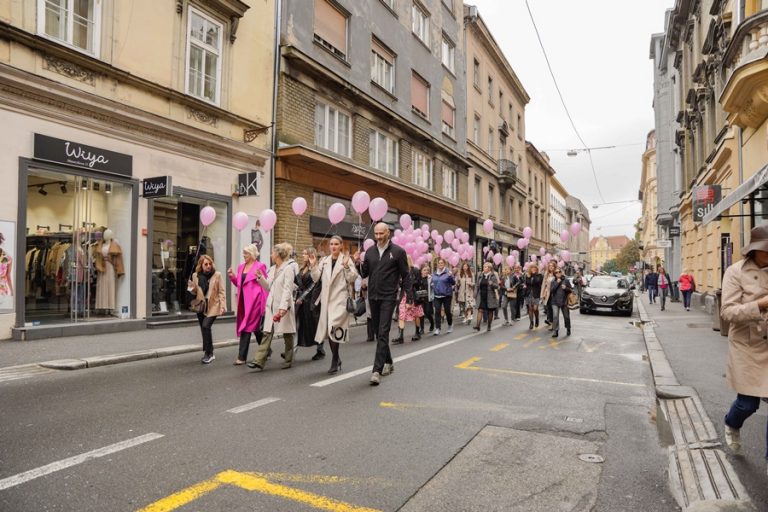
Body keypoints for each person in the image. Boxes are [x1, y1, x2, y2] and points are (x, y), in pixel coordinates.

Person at [720, 225, 768, 466]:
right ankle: (732, 422)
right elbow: (727, 312)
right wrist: (760, 305)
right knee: (748, 403)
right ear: (756, 251)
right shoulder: (735, 271)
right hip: (747, 345)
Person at [356, 222, 409, 386]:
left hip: (388, 297)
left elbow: (406, 276)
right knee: (380, 334)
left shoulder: (398, 252)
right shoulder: (370, 252)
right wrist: (358, 262)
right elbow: (364, 273)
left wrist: (409, 298)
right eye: (376, 234)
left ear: (388, 233)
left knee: (383, 332)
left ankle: (376, 371)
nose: (378, 237)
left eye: (381, 234)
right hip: (373, 296)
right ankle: (389, 362)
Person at [310, 235, 358, 374]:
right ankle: (336, 359)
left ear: (341, 245)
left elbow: (352, 278)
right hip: (326, 301)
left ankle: (334, 359)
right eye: (331, 244)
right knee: (331, 331)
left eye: (336, 244)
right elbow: (316, 278)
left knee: (333, 327)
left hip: (339, 300)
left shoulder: (346, 260)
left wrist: (346, 266)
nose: (333, 246)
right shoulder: (324, 261)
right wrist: (313, 265)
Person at [248, 243, 298, 371]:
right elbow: (268, 286)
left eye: (272, 253)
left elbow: (288, 289)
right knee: (267, 333)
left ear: (277, 254)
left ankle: (288, 359)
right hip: (271, 306)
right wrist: (260, 278)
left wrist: (283, 307)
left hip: (283, 305)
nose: (271, 255)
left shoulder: (288, 269)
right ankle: (259, 360)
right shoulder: (271, 269)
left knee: (287, 334)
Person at [227, 244, 268, 365]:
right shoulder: (241, 267)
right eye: (244, 253)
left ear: (252, 255)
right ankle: (266, 350)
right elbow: (240, 284)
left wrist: (264, 304)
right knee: (255, 328)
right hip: (243, 302)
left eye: (246, 253)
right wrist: (232, 277)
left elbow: (265, 286)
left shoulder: (260, 266)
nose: (244, 255)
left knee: (246, 327)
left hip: (255, 302)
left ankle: (241, 357)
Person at [187, 255, 226, 364]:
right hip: (201, 305)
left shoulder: (217, 275)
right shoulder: (195, 275)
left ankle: (209, 354)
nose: (208, 266)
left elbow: (221, 292)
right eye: (206, 264)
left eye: (210, 264)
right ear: (201, 265)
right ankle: (209, 351)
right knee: (204, 329)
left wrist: (222, 306)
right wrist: (191, 287)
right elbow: (195, 292)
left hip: (214, 305)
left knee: (206, 326)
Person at [295, 247, 324, 361]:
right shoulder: (302, 268)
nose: (303, 255)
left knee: (315, 326)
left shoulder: (316, 268)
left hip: (312, 301)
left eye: (305, 254)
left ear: (311, 255)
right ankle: (292, 350)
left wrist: (303, 297)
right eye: (302, 253)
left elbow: (314, 285)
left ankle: (320, 349)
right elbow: (297, 283)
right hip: (301, 302)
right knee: (298, 325)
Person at [393, 256, 425, 344]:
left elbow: (419, 282)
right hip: (404, 295)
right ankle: (400, 336)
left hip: (414, 296)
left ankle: (417, 332)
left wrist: (410, 282)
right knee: (401, 314)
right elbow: (399, 283)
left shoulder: (415, 270)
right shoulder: (401, 272)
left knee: (416, 315)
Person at [432, 258, 456, 335]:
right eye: (439, 263)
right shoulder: (434, 273)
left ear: (444, 264)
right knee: (437, 311)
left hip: (447, 295)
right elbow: (433, 282)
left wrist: (450, 276)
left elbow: (453, 283)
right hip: (437, 295)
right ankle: (438, 328)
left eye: (442, 263)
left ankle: (450, 325)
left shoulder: (448, 272)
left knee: (447, 311)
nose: (440, 264)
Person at [474, 262, 500, 332]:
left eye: (485, 267)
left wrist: (492, 284)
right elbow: (477, 285)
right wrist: (475, 293)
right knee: (480, 310)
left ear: (489, 268)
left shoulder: (493, 276)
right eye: (484, 266)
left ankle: (489, 325)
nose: (484, 268)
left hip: (490, 296)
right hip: (481, 295)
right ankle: (477, 325)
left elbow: (497, 286)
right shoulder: (480, 275)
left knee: (490, 311)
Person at [549, 267, 573, 338]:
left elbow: (571, 289)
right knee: (555, 316)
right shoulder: (553, 281)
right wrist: (557, 283)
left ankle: (568, 328)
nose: (558, 273)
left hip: (564, 301)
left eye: (559, 272)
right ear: (554, 274)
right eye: (556, 272)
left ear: (561, 272)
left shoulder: (566, 280)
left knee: (566, 317)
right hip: (555, 301)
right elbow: (551, 291)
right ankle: (555, 331)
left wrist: (565, 288)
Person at [524, 264, 544, 329]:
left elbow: (537, 281)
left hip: (536, 294)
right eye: (532, 268)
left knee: (535, 308)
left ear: (536, 269)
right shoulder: (527, 276)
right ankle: (531, 323)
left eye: (534, 268)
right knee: (530, 308)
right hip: (529, 294)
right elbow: (527, 283)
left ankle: (537, 319)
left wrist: (534, 274)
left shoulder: (539, 275)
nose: (533, 269)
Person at [417, 264, 434, 334]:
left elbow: (433, 288)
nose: (426, 271)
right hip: (420, 298)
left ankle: (432, 323)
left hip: (428, 298)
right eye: (424, 270)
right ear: (421, 271)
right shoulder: (418, 278)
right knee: (421, 314)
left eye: (427, 270)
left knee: (427, 313)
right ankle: (422, 329)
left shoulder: (430, 278)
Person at [541, 260, 557, 327]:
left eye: (552, 266)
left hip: (555, 294)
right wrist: (542, 294)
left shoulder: (557, 273)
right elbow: (543, 284)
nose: (551, 267)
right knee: (549, 308)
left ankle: (555, 323)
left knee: (554, 309)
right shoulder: (546, 274)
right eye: (549, 266)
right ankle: (551, 323)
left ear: (554, 267)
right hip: (548, 294)